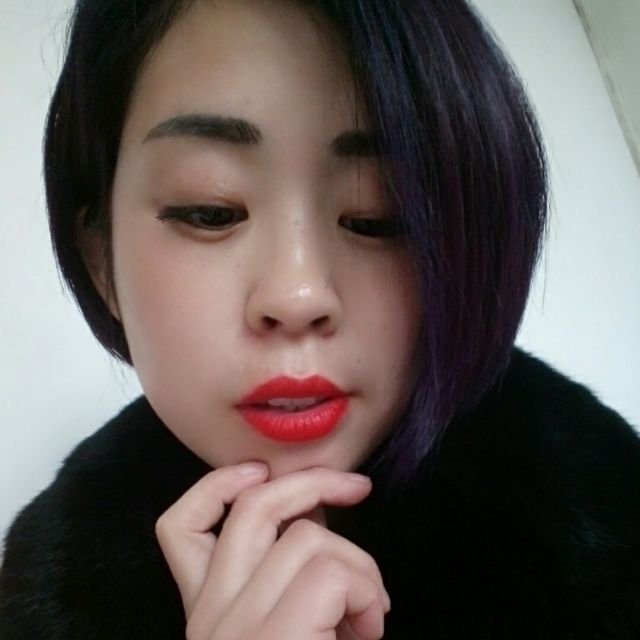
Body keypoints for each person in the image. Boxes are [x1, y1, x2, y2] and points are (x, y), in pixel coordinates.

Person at [1, 0, 639, 637]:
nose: (298, 295)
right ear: (101, 261)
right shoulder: (50, 598)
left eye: (377, 215)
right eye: (210, 210)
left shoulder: (604, 510)